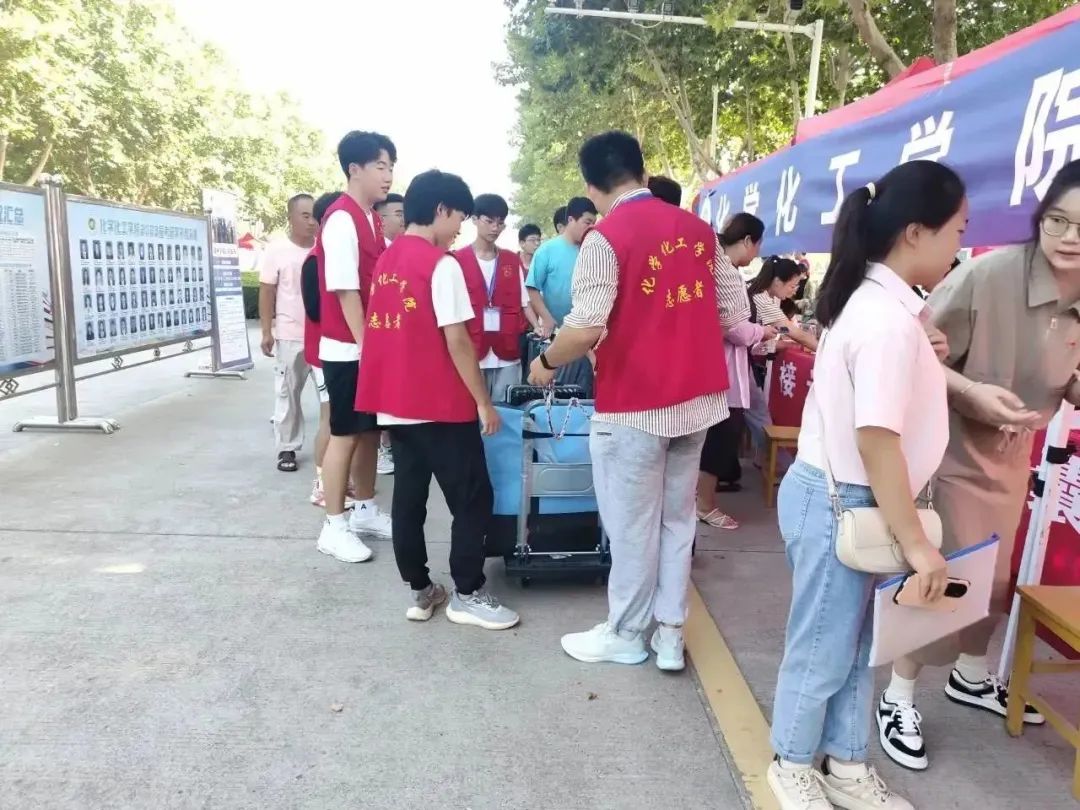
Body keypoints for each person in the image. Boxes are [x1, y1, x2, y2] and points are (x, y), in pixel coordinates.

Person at [767, 161, 969, 810]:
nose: (958, 247)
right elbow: (877, 441)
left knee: (855, 647)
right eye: (957, 231)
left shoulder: (881, 307)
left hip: (848, 500)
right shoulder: (883, 319)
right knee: (825, 648)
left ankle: (847, 763)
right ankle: (792, 764)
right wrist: (918, 546)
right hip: (847, 501)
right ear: (915, 232)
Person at [878, 160, 1080, 773]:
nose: (1069, 238)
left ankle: (970, 675)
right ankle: (897, 696)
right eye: (1058, 221)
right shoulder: (986, 276)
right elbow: (914, 355)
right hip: (952, 449)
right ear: (1040, 217)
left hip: (1013, 457)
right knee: (944, 577)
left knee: (992, 580)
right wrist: (971, 392)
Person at [528, 130, 748, 672]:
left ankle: (627, 632)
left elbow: (585, 327)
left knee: (631, 528)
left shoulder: (605, 238)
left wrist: (545, 363)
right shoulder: (698, 231)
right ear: (643, 173)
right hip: (697, 399)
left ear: (590, 186)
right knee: (677, 519)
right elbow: (732, 309)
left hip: (635, 405)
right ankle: (670, 634)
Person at [356, 169, 519, 630]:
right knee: (472, 498)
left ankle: (421, 589)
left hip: (395, 404)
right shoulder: (440, 264)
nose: (459, 229)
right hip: (439, 405)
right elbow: (458, 340)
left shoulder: (387, 261)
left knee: (410, 500)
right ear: (441, 209)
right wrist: (483, 402)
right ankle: (467, 591)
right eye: (459, 218)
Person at [312, 130, 396, 563]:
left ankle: (364, 510)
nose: (388, 175)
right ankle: (334, 525)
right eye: (381, 166)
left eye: (391, 167)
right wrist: (369, 348)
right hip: (348, 350)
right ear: (354, 169)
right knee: (344, 436)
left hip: (367, 347)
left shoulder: (370, 219)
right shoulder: (342, 219)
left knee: (369, 435)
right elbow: (346, 291)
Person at [697, 220, 779, 529]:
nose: (757, 253)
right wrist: (761, 331)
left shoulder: (718, 268)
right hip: (722, 374)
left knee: (713, 440)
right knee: (718, 440)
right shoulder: (725, 273)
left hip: (717, 369)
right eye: (757, 245)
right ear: (747, 240)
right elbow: (734, 328)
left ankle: (701, 501)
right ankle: (704, 505)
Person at [455, 194, 537, 403]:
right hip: (473, 346)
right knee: (471, 408)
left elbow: (524, 301)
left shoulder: (511, 260)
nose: (495, 228)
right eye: (489, 221)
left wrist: (538, 326)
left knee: (508, 409)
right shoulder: (457, 260)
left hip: (507, 346)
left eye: (500, 223)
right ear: (474, 219)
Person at [258, 193, 319, 473]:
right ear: (291, 218)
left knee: (330, 397)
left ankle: (334, 450)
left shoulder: (324, 248)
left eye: (314, 215)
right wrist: (266, 331)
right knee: (287, 394)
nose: (311, 221)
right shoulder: (277, 250)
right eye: (305, 215)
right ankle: (287, 448)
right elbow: (267, 290)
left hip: (323, 336)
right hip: (289, 334)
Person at [300, 191, 343, 508]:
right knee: (330, 418)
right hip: (324, 354)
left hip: (339, 351)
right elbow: (315, 310)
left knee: (341, 420)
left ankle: (337, 480)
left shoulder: (336, 258)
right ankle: (320, 482)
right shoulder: (315, 261)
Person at [373, 191, 406, 475]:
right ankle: (382, 446)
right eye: (398, 213)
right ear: (380, 219)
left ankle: (393, 443)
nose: (403, 219)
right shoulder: (375, 251)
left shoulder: (407, 250)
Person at [748, 256, 818, 352]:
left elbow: (782, 328)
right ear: (777, 281)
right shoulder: (763, 301)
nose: (794, 292)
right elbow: (800, 336)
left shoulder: (769, 296)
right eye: (792, 286)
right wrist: (824, 350)